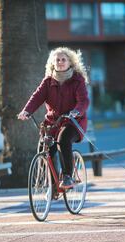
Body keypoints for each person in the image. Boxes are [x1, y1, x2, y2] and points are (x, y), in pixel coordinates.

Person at [17, 47, 90, 189]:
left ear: (70, 62)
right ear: (53, 63)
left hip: (74, 122)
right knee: (44, 148)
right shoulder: (48, 81)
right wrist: (26, 111)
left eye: (64, 59)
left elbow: (84, 101)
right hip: (53, 123)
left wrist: (76, 111)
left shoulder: (77, 80)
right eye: (57, 60)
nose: (60, 62)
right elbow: (37, 97)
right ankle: (52, 183)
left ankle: (68, 176)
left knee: (63, 140)